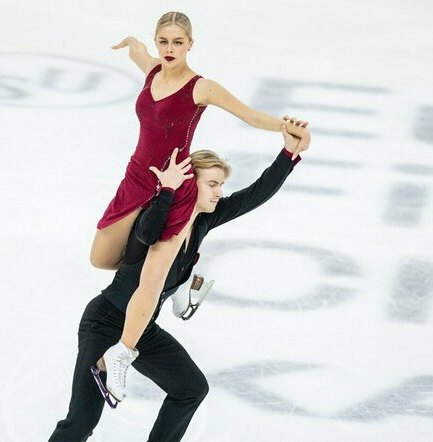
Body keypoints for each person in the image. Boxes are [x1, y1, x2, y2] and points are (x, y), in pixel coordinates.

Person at [89, 11, 312, 403]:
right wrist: (133, 45)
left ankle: (121, 354)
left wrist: (285, 128)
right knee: (104, 260)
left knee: (150, 279)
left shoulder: (201, 87)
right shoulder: (153, 70)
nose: (170, 49)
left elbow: (249, 114)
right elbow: (140, 56)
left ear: (191, 43)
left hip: (175, 182)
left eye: (178, 42)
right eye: (163, 41)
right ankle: (183, 278)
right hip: (137, 180)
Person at [49, 120, 308, 442]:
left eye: (221, 185)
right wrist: (169, 191)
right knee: (82, 420)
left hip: (143, 326)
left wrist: (289, 154)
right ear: (191, 183)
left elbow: (254, 195)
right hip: (105, 323)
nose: (219, 192)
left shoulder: (204, 220)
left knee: (191, 388)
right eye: (212, 184)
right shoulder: (157, 217)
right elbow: (145, 233)